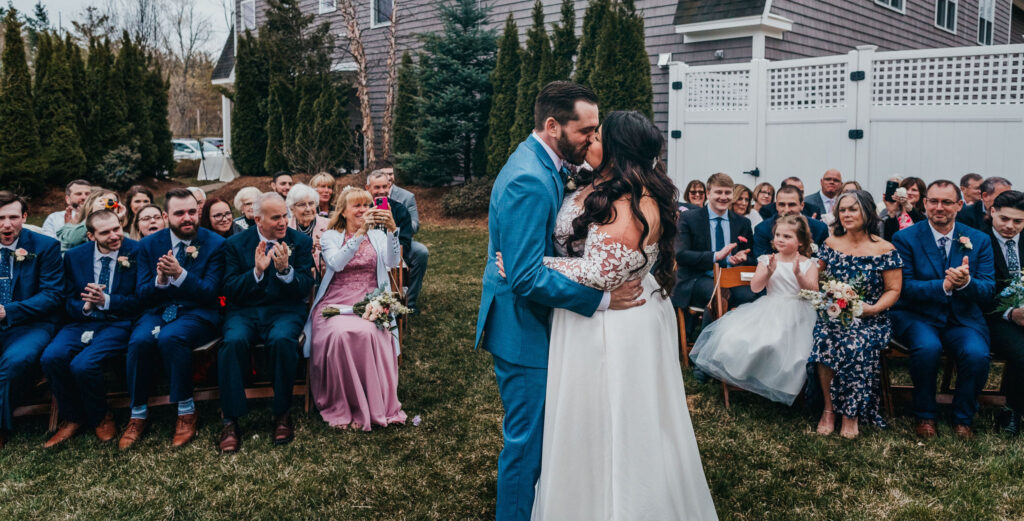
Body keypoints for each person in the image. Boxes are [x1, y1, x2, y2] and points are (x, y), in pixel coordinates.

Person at [523, 110, 717, 519]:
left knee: (615, 420)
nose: (588, 140)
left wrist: (533, 265)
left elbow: (601, 272)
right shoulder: (600, 186)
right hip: (586, 316)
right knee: (584, 423)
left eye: (596, 135)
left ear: (615, 148)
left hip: (613, 324)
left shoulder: (633, 199)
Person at [474, 82, 644, 521]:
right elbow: (526, 276)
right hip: (522, 328)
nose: (592, 138)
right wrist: (602, 300)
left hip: (537, 320)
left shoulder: (547, 162)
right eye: (585, 130)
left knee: (545, 436)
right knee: (526, 443)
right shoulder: (529, 178)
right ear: (552, 126)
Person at [120, 189, 227, 449]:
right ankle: (138, 414)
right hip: (158, 310)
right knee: (139, 341)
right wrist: (159, 281)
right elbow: (141, 294)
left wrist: (180, 275)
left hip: (198, 312)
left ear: (198, 212)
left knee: (172, 337)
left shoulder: (215, 244)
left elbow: (210, 293)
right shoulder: (148, 245)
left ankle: (186, 410)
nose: (187, 218)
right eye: (179, 213)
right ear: (167, 216)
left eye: (192, 212)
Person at [891, 180, 995, 439]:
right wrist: (944, 285)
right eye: (934, 201)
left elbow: (988, 288)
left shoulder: (979, 239)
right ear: (924, 204)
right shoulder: (904, 238)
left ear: (959, 205)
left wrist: (967, 283)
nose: (939, 207)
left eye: (947, 202)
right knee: (927, 349)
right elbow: (904, 287)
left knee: (977, 354)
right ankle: (925, 415)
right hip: (918, 315)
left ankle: (963, 418)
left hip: (962, 318)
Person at [218, 192, 314, 453]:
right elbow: (230, 289)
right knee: (232, 343)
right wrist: (257, 272)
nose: (283, 222)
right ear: (258, 219)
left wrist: (285, 271)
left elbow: (305, 286)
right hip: (245, 311)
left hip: (285, 310)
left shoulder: (300, 242)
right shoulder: (236, 244)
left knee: (283, 340)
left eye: (285, 215)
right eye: (276, 218)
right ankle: (231, 420)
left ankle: (282, 413)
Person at [304, 186, 405, 430]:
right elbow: (336, 264)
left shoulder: (379, 235)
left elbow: (392, 262)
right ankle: (343, 402)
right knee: (340, 334)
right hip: (336, 300)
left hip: (371, 298)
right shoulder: (330, 235)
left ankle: (373, 403)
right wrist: (360, 233)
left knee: (369, 332)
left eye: (366, 205)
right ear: (344, 211)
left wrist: (392, 230)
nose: (363, 210)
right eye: (357, 206)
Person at [692, 214, 818, 405]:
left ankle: (783, 385)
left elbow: (812, 291)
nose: (781, 240)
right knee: (742, 339)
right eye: (778, 235)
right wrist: (768, 271)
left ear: (800, 242)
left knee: (791, 348)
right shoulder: (766, 259)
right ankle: (751, 379)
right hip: (770, 307)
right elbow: (755, 288)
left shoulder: (809, 263)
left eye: (787, 236)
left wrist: (799, 274)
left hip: (799, 311)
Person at [40, 211, 141, 448]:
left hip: (118, 322)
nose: (115, 235)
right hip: (81, 321)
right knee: (51, 357)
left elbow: (142, 299)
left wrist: (106, 300)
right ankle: (73, 417)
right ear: (90, 235)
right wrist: (85, 305)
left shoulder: (136, 252)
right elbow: (65, 298)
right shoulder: (75, 257)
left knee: (84, 364)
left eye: (117, 228)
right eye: (105, 232)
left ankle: (101, 416)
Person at [810, 191, 903, 439]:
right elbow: (816, 280)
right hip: (835, 315)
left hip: (871, 318)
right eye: (842, 210)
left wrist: (872, 309)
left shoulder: (884, 248)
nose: (847, 214)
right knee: (824, 338)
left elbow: (893, 290)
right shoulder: (830, 244)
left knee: (854, 342)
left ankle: (851, 414)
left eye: (853, 209)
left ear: (867, 212)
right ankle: (829, 410)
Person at [0, 191, 63, 450]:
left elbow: (52, 296)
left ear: (24, 216)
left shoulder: (45, 247)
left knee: (13, 362)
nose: (6, 224)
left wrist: (8, 311)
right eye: (0, 218)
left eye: (13, 217)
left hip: (33, 324)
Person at [674, 172, 756, 335]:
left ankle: (741, 347)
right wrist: (714, 256)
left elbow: (752, 257)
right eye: (719, 192)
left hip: (731, 277)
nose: (723, 197)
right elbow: (681, 255)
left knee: (753, 296)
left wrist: (742, 258)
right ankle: (707, 352)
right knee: (719, 294)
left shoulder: (742, 223)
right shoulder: (689, 218)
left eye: (727, 192)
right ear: (709, 193)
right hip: (698, 278)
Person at [981, 190, 1024, 435]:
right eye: (1004, 219)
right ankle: (1011, 410)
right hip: (993, 316)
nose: (1009, 226)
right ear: (993, 212)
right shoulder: (977, 241)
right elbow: (974, 291)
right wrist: (1010, 313)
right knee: (1021, 354)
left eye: (1018, 221)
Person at [366, 171, 429, 313]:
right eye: (377, 188)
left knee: (419, 253)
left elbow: (405, 241)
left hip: (393, 255)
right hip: (367, 253)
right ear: (367, 188)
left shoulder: (400, 210)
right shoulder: (362, 208)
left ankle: (408, 302)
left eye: (384, 187)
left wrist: (391, 226)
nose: (381, 191)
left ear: (389, 186)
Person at [752, 186, 829, 259]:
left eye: (792, 205)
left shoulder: (820, 228)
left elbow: (823, 261)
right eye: (782, 205)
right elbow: (762, 260)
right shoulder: (763, 229)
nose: (787, 210)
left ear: (802, 205)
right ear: (776, 206)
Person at [58, 189, 126, 252]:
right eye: (106, 202)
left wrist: (116, 220)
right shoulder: (70, 229)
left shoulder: (122, 234)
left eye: (114, 203)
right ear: (91, 205)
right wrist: (94, 216)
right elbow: (72, 240)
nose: (110, 205)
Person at [286, 183, 329, 274]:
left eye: (311, 203)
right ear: (292, 208)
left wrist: (327, 248)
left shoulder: (329, 225)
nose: (308, 209)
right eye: (302, 205)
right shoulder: (285, 227)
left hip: (323, 278)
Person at [759, 176, 824, 220]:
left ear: (802, 205)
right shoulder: (767, 210)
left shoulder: (813, 210)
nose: (799, 195)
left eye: (801, 192)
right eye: (794, 190)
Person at [385, 167, 420, 233]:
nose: (389, 177)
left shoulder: (407, 197)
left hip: (401, 240)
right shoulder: (368, 196)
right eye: (384, 175)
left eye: (390, 174)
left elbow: (415, 226)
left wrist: (399, 218)